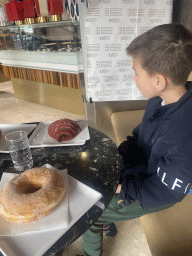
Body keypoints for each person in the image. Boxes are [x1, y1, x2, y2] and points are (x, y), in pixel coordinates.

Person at [75, 23, 192, 256]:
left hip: (156, 190)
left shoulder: (182, 135)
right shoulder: (161, 99)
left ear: (159, 80)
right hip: (145, 169)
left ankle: (95, 236)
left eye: (136, 72)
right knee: (93, 171)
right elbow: (142, 135)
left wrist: (124, 187)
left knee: (89, 210)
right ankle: (107, 223)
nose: (134, 78)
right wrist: (122, 153)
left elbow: (167, 190)